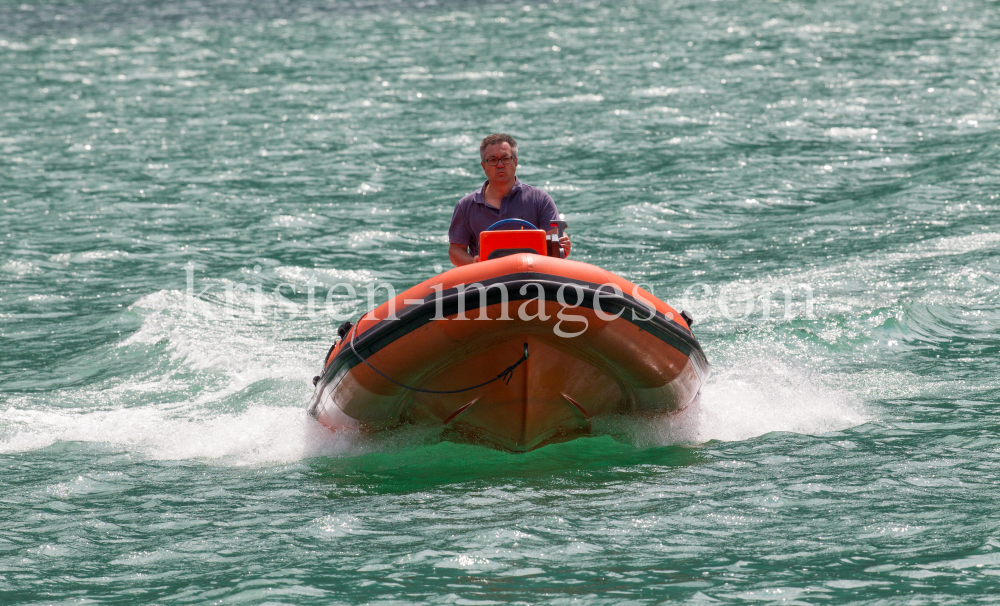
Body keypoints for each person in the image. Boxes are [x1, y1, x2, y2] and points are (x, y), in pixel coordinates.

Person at [448, 133, 571, 267]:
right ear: (484, 166)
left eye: (506, 158)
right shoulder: (465, 206)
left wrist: (562, 241)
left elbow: (555, 236)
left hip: (534, 274)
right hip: (486, 278)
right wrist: (473, 262)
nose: (500, 165)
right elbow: (456, 250)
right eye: (493, 160)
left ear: (515, 162)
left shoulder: (540, 199)